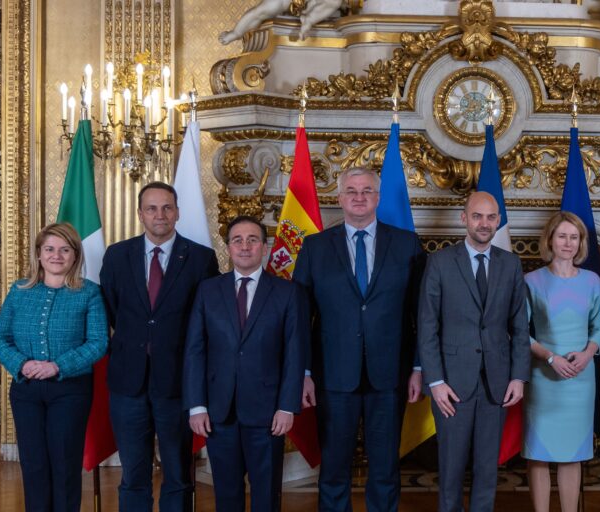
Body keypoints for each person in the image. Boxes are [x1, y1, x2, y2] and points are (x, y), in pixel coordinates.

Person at [293, 168, 426, 512]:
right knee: (334, 468)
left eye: (367, 190)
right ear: (339, 198)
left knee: (385, 467)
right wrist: (304, 372)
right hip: (333, 376)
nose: (359, 197)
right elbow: (299, 318)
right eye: (351, 191)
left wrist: (417, 366)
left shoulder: (407, 244)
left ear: (378, 198)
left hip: (389, 375)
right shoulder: (315, 247)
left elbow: (420, 312)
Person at [99, 181, 220, 512]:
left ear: (178, 212)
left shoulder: (200, 259)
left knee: (179, 474)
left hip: (178, 382)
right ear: (140, 214)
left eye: (167, 207)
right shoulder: (117, 255)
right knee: (133, 474)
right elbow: (111, 310)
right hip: (128, 382)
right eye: (151, 208)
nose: (160, 215)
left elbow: (208, 320)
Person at [183, 215, 308, 512]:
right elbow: (194, 350)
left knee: (266, 495)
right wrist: (197, 405)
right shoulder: (208, 290)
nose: (245, 246)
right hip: (218, 411)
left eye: (253, 239)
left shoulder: (288, 292)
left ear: (265, 248)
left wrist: (287, 406)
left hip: (268, 413)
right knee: (226, 494)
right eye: (237, 240)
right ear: (228, 247)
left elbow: (295, 352)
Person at [417, 191, 530, 512]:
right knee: (450, 469)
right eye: (477, 216)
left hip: (497, 383)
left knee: (487, 469)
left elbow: (520, 325)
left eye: (491, 217)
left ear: (498, 221)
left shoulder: (510, 264)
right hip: (452, 385)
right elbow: (427, 327)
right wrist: (435, 382)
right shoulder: (439, 262)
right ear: (464, 218)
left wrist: (519, 377)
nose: (484, 223)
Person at [0, 223, 108, 512]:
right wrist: (22, 363)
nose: (57, 255)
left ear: (75, 255)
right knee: (34, 465)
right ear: (39, 254)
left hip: (70, 392)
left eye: (65, 249)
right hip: (26, 391)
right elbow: (0, 337)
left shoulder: (89, 293)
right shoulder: (19, 291)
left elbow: (98, 342)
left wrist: (57, 366)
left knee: (65, 464)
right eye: (50, 249)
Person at [523, 211, 600, 512]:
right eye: (562, 236)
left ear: (581, 242)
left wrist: (587, 353)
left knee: (574, 453)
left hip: (581, 379)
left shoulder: (593, 280)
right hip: (545, 377)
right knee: (539, 453)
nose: (568, 243)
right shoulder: (531, 281)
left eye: (574, 237)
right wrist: (551, 357)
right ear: (550, 239)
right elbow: (520, 332)